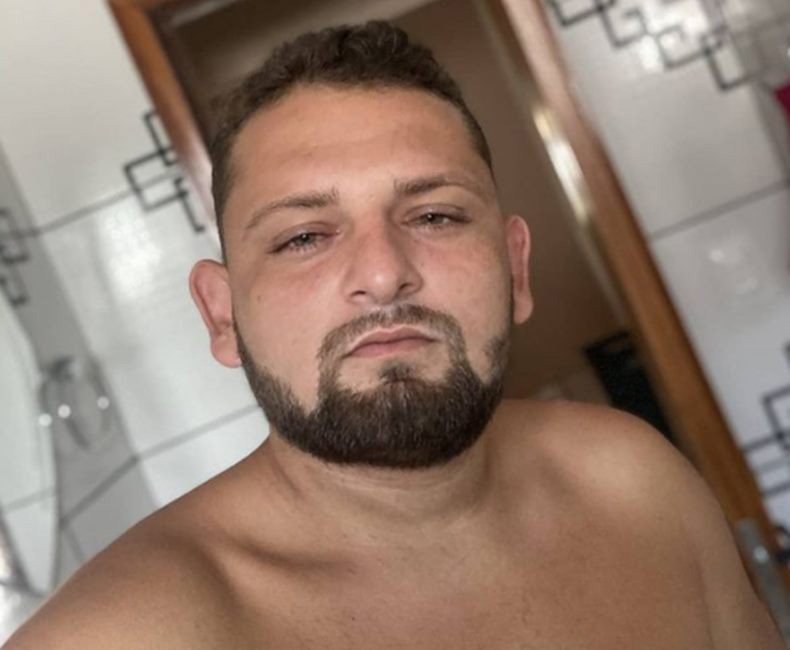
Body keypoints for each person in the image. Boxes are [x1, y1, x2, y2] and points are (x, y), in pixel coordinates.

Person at [5, 20, 784, 649]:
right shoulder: (123, 637)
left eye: (435, 215)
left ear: (515, 269)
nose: (383, 275)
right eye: (304, 236)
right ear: (221, 314)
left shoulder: (635, 480)